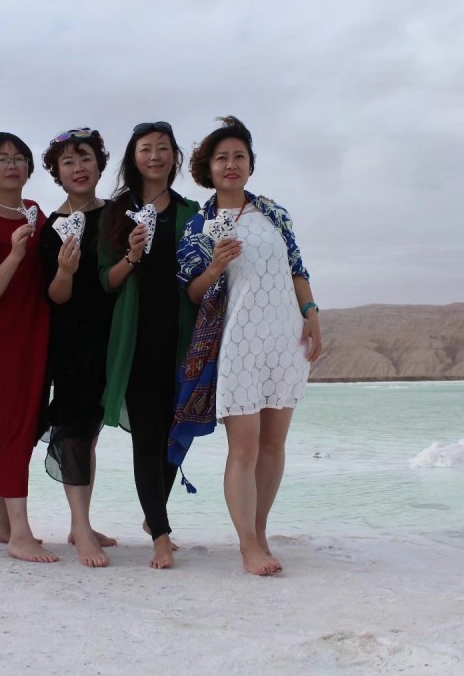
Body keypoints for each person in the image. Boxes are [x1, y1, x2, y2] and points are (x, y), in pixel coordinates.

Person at [174, 116, 322, 575]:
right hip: (238, 342)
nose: (231, 164)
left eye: (239, 156)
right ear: (208, 169)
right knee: (244, 447)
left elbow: (297, 268)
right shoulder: (200, 225)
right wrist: (215, 266)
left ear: (251, 165)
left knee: (274, 444)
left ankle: (260, 531)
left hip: (285, 338)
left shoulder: (275, 214)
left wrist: (311, 313)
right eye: (222, 158)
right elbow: (192, 292)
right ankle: (247, 546)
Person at [97, 121, 199, 569]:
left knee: (177, 435)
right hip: (135, 341)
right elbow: (106, 280)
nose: (155, 156)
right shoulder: (116, 212)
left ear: (175, 156)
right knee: (147, 437)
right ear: (133, 157)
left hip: (182, 339)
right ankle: (160, 533)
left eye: (163, 148)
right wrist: (132, 255)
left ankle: (153, 514)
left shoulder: (191, 211)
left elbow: (200, 276)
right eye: (145, 148)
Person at [0, 132, 57, 563]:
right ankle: (20, 534)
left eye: (19, 157)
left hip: (41, 329)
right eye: (1, 159)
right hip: (6, 338)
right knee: (9, 422)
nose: (12, 165)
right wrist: (16, 254)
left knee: (28, 422)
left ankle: (0, 522)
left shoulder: (35, 211)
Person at [38, 127, 117, 567]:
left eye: (85, 158)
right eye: (67, 162)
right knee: (75, 431)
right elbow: (55, 296)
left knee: (92, 433)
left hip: (114, 335)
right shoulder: (51, 228)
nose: (78, 168)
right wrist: (65, 271)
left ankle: (79, 524)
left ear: (99, 165)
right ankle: (82, 528)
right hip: (72, 341)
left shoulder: (118, 215)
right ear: (57, 173)